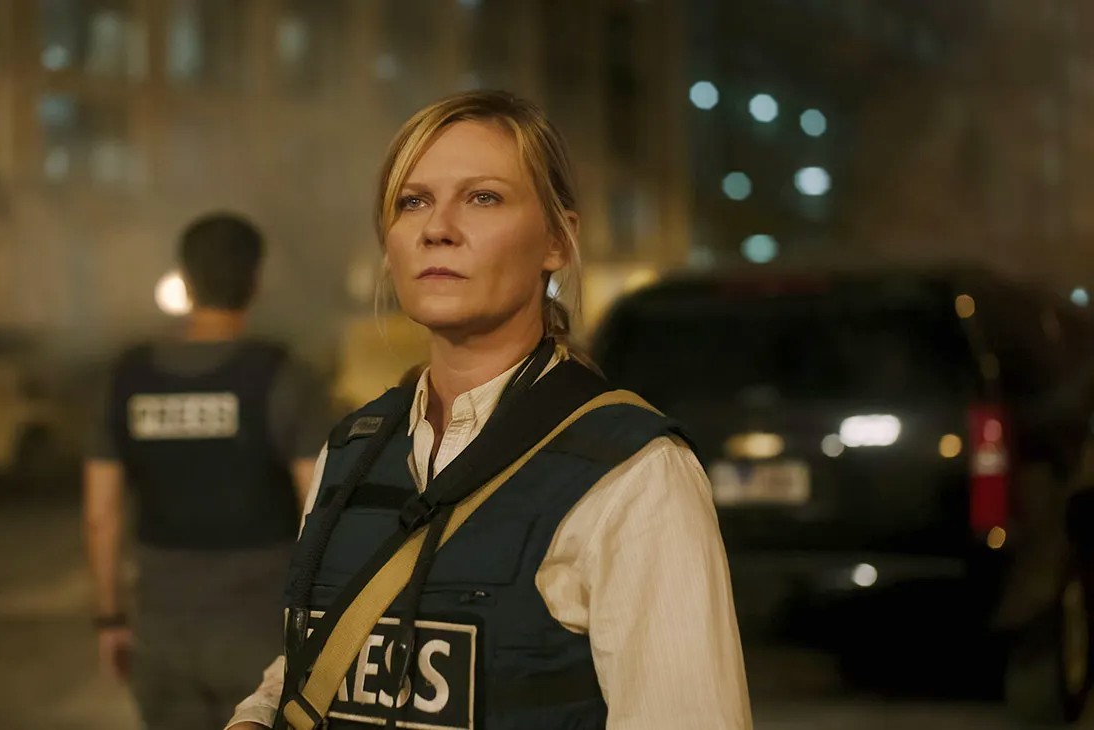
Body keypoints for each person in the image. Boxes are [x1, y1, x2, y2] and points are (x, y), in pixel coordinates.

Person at [227, 91, 752, 730]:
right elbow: (309, 663)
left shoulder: (633, 474)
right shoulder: (352, 447)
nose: (437, 227)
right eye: (412, 201)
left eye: (484, 198)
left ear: (559, 239)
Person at [83, 213, 332, 730]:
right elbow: (320, 506)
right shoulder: (283, 374)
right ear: (255, 283)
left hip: (162, 632)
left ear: (186, 280)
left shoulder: (128, 376)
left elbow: (100, 515)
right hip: (261, 634)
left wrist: (110, 618)